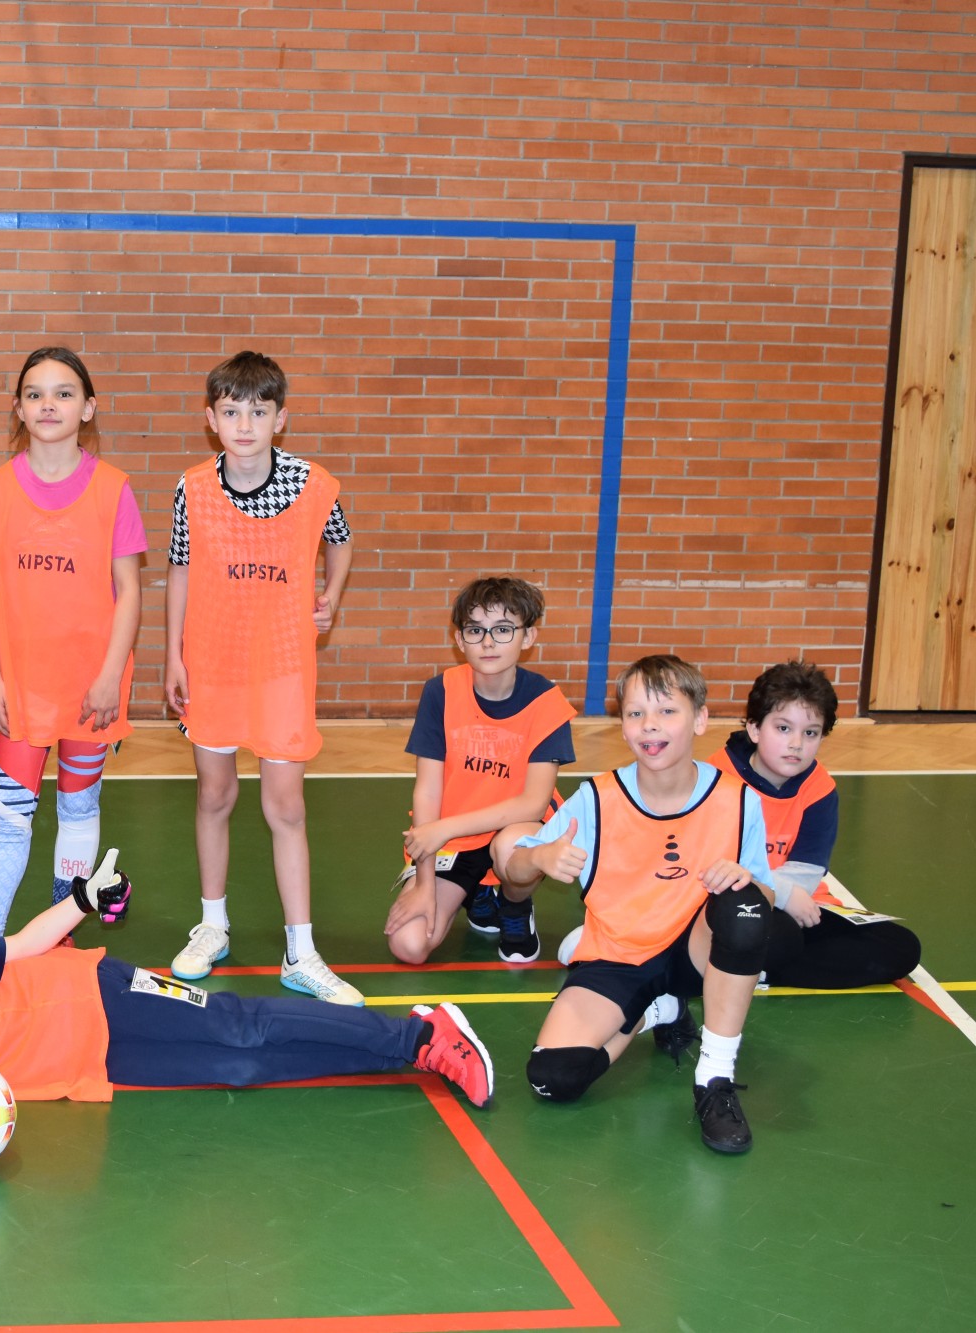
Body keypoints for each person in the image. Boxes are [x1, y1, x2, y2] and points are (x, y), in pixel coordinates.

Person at [0, 852, 494, 1110]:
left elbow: (20, 945)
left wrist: (83, 898)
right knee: (240, 1067)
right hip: (88, 1061)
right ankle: (409, 1045)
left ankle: (421, 1035)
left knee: (241, 1026)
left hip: (94, 992)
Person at [502, 655, 778, 1154]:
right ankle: (656, 1010)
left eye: (667, 711)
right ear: (623, 726)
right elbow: (514, 870)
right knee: (553, 1078)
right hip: (617, 956)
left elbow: (767, 896)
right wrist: (539, 857)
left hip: (694, 953)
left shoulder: (738, 800)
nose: (650, 725)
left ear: (699, 719)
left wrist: (747, 880)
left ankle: (714, 1077)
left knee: (745, 906)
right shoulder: (596, 799)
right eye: (635, 714)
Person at [162, 350, 358, 1004]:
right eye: (231, 411)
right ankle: (212, 925)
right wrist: (173, 654)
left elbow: (341, 539)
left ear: (281, 418)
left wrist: (330, 594)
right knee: (214, 796)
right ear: (211, 419)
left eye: (258, 411)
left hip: (281, 667)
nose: (244, 424)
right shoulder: (192, 487)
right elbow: (180, 569)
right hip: (213, 663)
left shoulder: (313, 483)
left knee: (285, 806)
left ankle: (301, 950)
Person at [0, 347, 145, 936]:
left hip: (91, 686)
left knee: (78, 807)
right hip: (22, 686)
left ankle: (59, 932)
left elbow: (129, 590)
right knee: (9, 816)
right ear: (19, 408)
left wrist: (109, 676)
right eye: (35, 394)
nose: (49, 404)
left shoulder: (114, 489)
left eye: (64, 393)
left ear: (88, 408)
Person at [385, 577, 575, 965]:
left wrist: (444, 829)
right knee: (409, 945)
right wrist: (425, 883)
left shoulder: (546, 703)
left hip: (515, 827)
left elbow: (532, 802)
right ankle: (478, 892)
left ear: (528, 636)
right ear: (460, 640)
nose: (488, 642)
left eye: (503, 630)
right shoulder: (440, 691)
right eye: (475, 630)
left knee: (510, 847)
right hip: (456, 838)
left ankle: (513, 903)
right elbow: (427, 791)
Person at [707, 661, 920, 988]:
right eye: (783, 729)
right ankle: (752, 962)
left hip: (800, 901)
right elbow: (715, 870)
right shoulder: (716, 780)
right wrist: (783, 895)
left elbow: (806, 872)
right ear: (755, 729)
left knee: (902, 947)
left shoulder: (819, 788)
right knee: (778, 935)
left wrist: (789, 897)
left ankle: (758, 969)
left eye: (810, 733)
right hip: (735, 905)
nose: (796, 743)